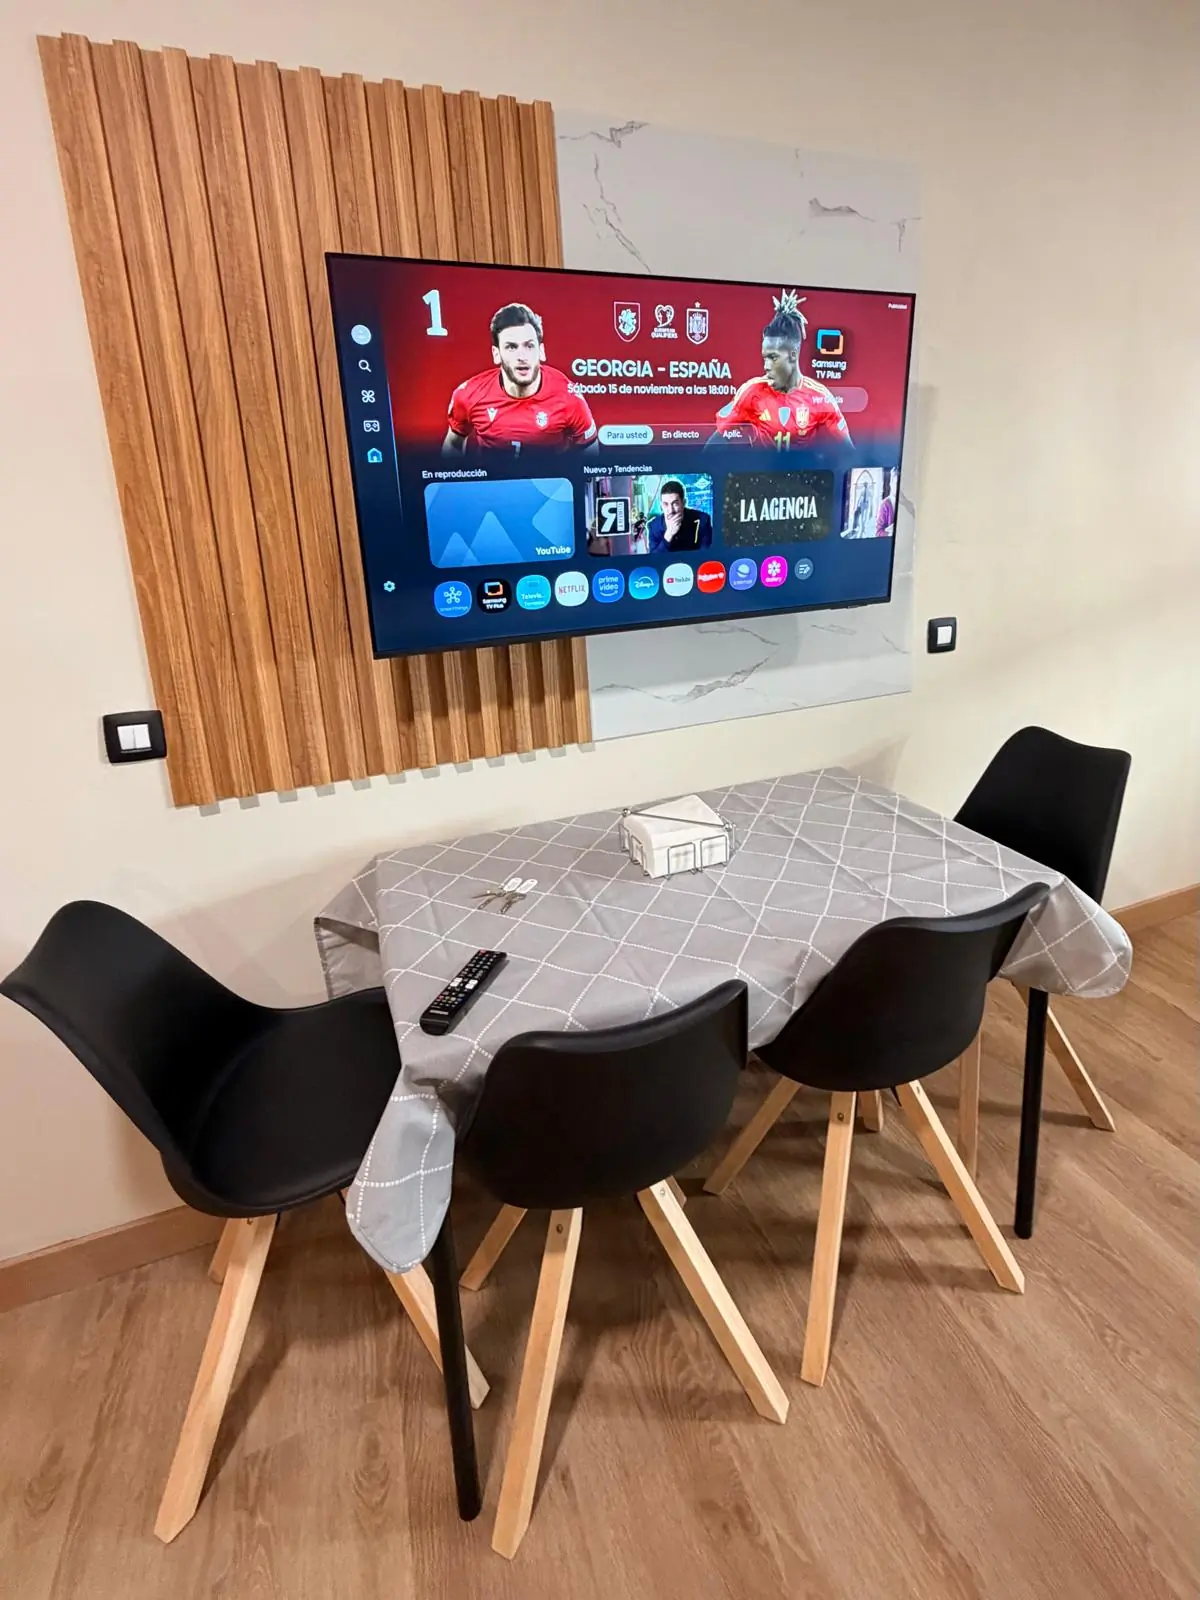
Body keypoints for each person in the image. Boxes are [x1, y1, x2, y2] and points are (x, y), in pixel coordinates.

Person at [442, 302, 598, 455]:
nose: (522, 357)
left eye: (529, 346)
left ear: (541, 351)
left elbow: (590, 451)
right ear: (496, 354)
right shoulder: (469, 395)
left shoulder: (569, 397)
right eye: (511, 347)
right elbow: (454, 445)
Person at [710, 290, 853, 449]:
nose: (766, 366)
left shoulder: (820, 398)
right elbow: (714, 444)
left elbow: (849, 452)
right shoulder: (751, 392)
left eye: (773, 358)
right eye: (765, 358)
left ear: (793, 355)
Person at [647, 481, 712, 552]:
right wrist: (668, 535)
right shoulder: (653, 527)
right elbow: (654, 557)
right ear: (661, 505)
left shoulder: (703, 521)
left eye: (675, 504)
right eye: (665, 504)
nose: (670, 510)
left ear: (684, 503)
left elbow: (706, 555)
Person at [875, 470, 897, 538]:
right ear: (891, 484)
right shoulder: (885, 505)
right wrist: (890, 534)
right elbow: (878, 532)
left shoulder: (906, 503)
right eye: (896, 483)